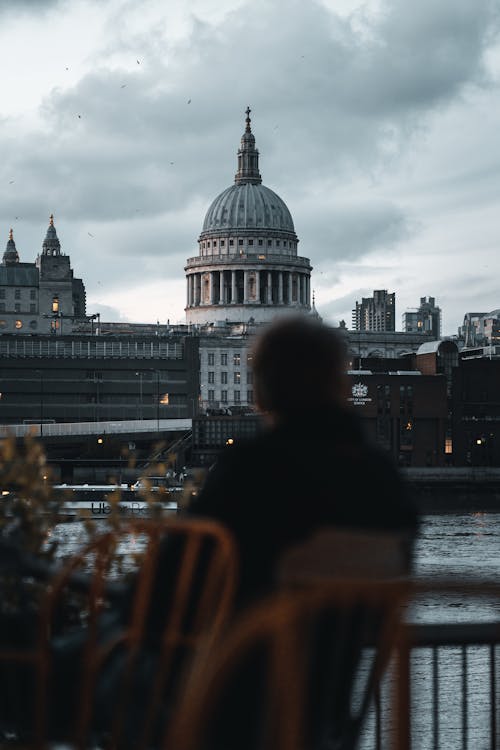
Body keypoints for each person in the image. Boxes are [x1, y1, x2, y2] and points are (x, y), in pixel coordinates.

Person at [185, 313, 419, 610]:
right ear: (339, 384)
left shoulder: (249, 468)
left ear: (262, 392)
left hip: (246, 647)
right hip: (342, 649)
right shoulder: (382, 473)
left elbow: (180, 564)